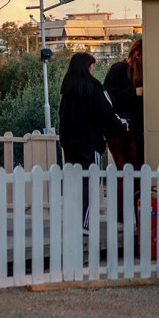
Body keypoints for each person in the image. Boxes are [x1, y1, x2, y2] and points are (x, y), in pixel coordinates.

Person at [58, 52, 125, 228]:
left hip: (69, 141)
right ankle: (85, 223)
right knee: (91, 182)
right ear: (87, 67)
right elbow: (106, 112)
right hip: (89, 141)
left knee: (74, 180)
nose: (93, 69)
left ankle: (73, 221)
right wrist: (121, 125)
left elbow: (61, 114)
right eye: (92, 65)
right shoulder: (94, 86)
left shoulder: (67, 87)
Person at [102, 39, 143, 169]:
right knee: (128, 169)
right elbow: (109, 99)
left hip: (136, 129)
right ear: (137, 54)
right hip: (121, 130)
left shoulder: (141, 72)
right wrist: (134, 92)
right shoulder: (118, 69)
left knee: (136, 169)